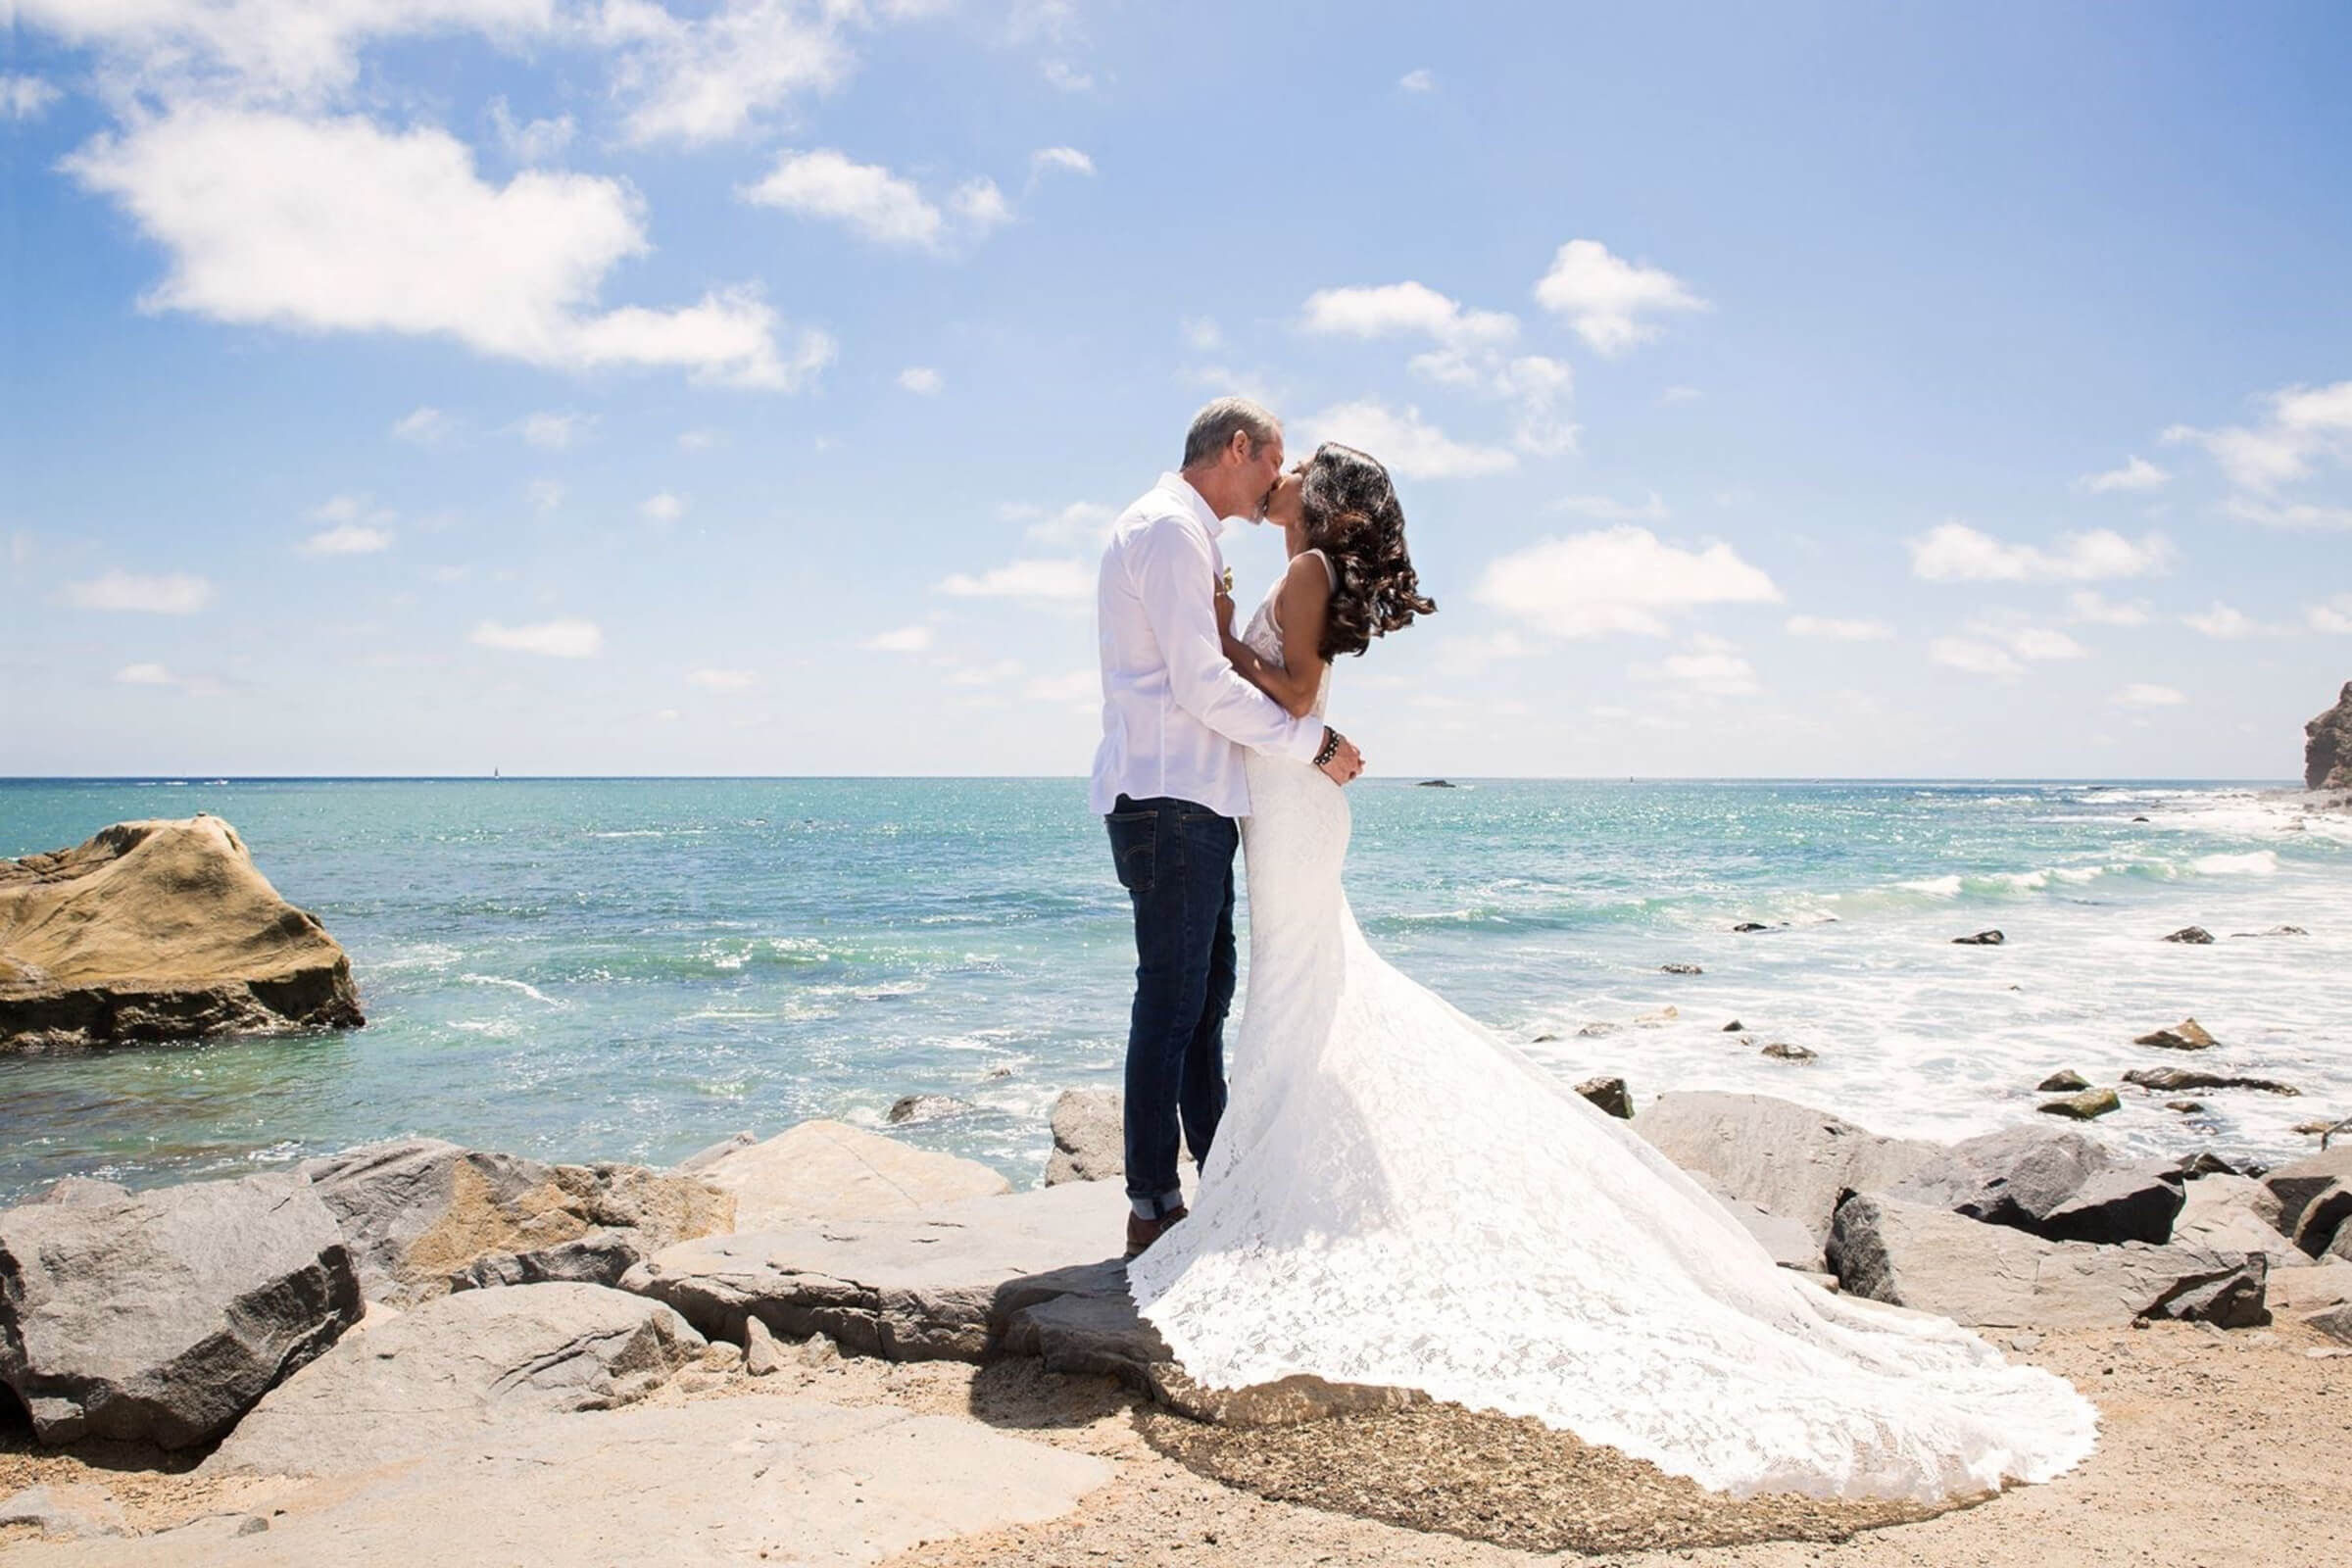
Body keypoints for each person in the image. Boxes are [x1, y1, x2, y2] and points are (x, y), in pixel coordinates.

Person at [1125, 441, 2100, 1502]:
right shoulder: (1298, 569)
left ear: (1325, 500)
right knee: (1296, 997)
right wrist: (1257, 673)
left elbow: (1299, 695)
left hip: (1293, 805)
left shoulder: (1304, 574)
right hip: (1284, 805)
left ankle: (1244, 1190)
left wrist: (1225, 640)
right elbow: (1301, 705)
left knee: (1298, 994)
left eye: (1303, 464)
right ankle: (1252, 1180)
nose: (1286, 469)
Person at [1091, 398, 1363, 1260]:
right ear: (1237, 447)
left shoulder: (1189, 534)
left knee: (1202, 1000)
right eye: (1269, 466)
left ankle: (1217, 1178)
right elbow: (1200, 684)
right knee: (1172, 1004)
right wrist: (1309, 743)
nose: (1273, 487)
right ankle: (1151, 1205)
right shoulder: (1169, 531)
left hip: (1196, 800)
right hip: (1169, 799)